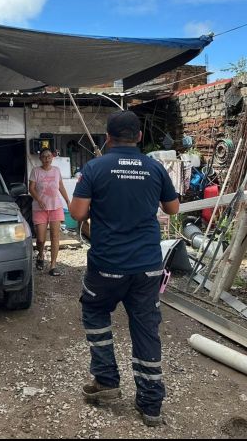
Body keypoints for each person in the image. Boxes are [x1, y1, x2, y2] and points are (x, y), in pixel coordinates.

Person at [69, 110, 179, 427]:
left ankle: (106, 380)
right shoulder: (155, 167)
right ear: (140, 137)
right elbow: (172, 208)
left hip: (108, 264)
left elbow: (77, 213)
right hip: (147, 266)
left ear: (108, 137)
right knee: (146, 329)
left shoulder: (95, 168)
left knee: (95, 311)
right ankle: (151, 405)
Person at [29, 148, 71, 276]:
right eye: (44, 156)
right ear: (40, 158)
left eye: (49, 156)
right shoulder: (36, 171)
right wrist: (39, 199)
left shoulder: (56, 170)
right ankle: (40, 255)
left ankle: (53, 265)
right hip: (40, 208)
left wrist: (67, 200)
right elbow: (31, 188)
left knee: (55, 237)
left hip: (56, 207)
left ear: (52, 157)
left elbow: (61, 186)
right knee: (40, 239)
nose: (47, 159)